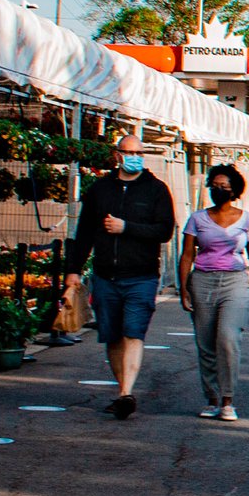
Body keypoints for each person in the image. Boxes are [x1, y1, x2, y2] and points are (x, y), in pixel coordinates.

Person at [61, 133, 177, 421]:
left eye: (139, 152)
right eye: (129, 152)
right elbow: (84, 232)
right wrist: (73, 271)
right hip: (105, 275)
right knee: (112, 336)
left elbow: (164, 231)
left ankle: (126, 393)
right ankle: (122, 390)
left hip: (142, 275)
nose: (134, 157)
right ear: (117, 156)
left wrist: (127, 227)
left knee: (133, 332)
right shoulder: (100, 190)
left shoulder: (157, 190)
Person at [178, 163, 249, 421]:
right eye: (215, 186)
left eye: (225, 187)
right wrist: (183, 288)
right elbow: (187, 255)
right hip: (202, 283)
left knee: (228, 339)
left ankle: (228, 400)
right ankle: (211, 398)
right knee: (206, 343)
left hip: (235, 283)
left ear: (235, 191)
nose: (219, 190)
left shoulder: (246, 219)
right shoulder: (197, 219)